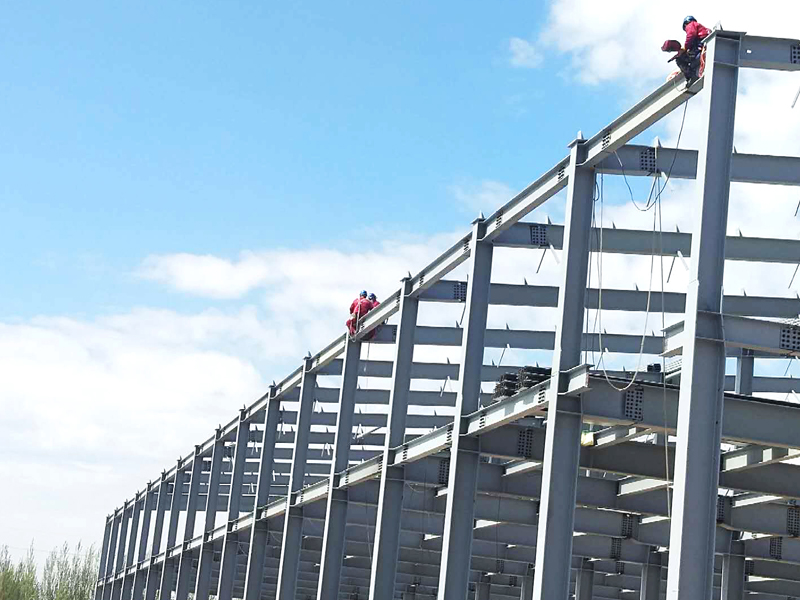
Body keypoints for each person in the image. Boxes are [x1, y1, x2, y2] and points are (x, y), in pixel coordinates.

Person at [676, 16, 711, 82]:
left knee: (679, 59)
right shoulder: (703, 28)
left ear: (685, 24)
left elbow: (690, 35)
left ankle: (691, 76)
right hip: (703, 47)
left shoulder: (690, 24)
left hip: (700, 49)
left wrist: (685, 48)